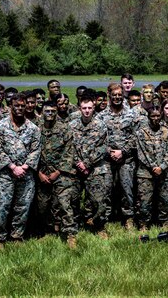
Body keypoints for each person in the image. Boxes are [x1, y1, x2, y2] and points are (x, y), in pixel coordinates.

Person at [0, 93, 41, 249]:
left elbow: (36, 150)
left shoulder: (33, 128)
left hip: (26, 175)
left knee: (23, 206)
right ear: (10, 106)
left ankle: (17, 235)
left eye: (22, 106)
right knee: (1, 206)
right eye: (16, 106)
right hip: (5, 175)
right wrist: (12, 167)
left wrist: (24, 167)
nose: (19, 108)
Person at [34, 102, 79, 247]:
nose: (50, 114)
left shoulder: (65, 128)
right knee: (43, 205)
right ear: (42, 112)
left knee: (64, 203)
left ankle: (70, 234)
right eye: (47, 111)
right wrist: (39, 172)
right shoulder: (35, 129)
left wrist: (58, 172)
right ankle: (49, 231)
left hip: (61, 173)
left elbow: (69, 153)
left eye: (53, 111)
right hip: (41, 172)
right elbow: (31, 152)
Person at [98, 83, 140, 229]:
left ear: (123, 96)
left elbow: (136, 136)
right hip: (107, 160)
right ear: (109, 95)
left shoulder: (131, 114)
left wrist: (123, 151)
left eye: (119, 95)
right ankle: (106, 218)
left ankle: (128, 218)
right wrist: (110, 151)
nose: (117, 98)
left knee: (127, 189)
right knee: (106, 189)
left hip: (126, 159)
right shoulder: (101, 115)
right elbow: (98, 138)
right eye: (114, 95)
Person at [70, 96, 112, 238]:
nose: (87, 111)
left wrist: (87, 163)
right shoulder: (72, 125)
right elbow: (69, 147)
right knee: (73, 199)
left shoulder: (100, 125)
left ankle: (99, 226)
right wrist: (78, 163)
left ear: (93, 108)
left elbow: (103, 147)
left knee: (98, 200)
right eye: (84, 108)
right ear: (80, 108)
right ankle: (73, 228)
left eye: (89, 108)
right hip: (76, 168)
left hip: (95, 167)